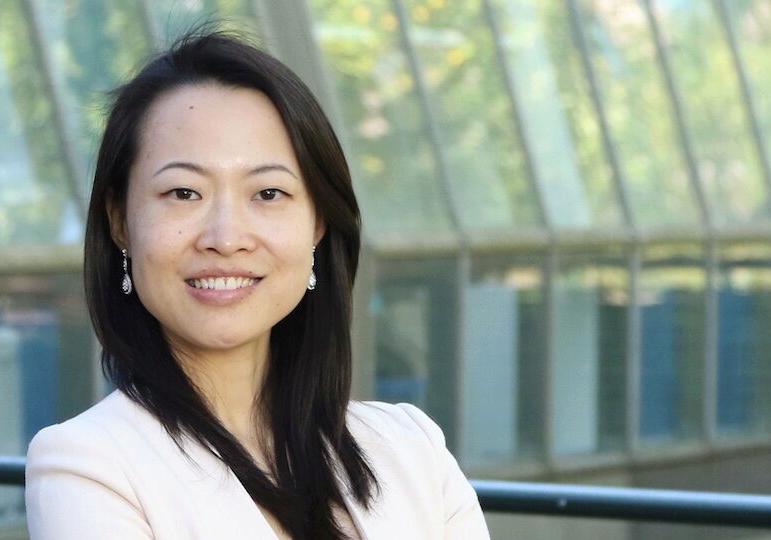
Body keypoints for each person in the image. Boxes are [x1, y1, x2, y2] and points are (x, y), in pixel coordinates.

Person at [25, 30, 490, 540]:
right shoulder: (87, 466)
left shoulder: (412, 450)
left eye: (268, 193)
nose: (226, 238)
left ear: (318, 222)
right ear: (119, 222)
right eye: (183, 192)